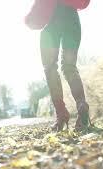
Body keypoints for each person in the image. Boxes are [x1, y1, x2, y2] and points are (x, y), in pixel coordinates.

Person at [26, 0, 91, 131]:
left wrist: (28, 19)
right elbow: (84, 2)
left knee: (50, 69)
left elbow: (34, 18)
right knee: (69, 67)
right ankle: (81, 104)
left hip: (51, 23)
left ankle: (61, 114)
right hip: (72, 20)